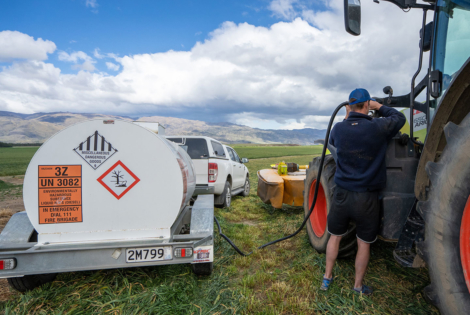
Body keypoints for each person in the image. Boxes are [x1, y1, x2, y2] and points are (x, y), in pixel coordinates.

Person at [320, 88, 406, 295]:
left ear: (349, 106)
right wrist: (379, 106)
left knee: (335, 237)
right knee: (363, 244)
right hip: (366, 198)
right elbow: (399, 117)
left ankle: (327, 278)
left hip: (341, 194)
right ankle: (358, 286)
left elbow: (333, 142)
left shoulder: (339, 129)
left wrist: (349, 116)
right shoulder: (378, 127)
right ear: (367, 105)